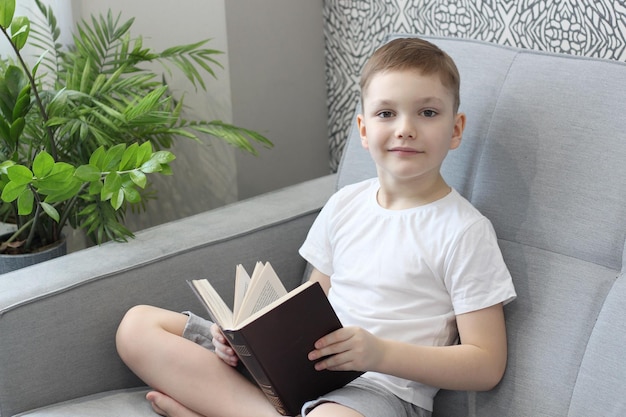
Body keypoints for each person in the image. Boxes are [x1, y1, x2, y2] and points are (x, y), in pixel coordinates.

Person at [115, 37, 516, 417]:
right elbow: (307, 305)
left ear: (456, 129)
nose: (405, 128)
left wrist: (378, 354)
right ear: (363, 129)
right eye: (386, 113)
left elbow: (486, 364)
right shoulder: (345, 204)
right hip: (302, 370)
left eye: (427, 112)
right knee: (137, 327)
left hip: (379, 390)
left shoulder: (464, 231)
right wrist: (248, 344)